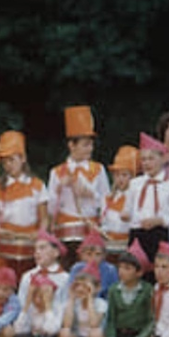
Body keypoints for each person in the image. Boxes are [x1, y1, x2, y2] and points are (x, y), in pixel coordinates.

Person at [47, 106, 109, 264]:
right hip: (66, 231)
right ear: (71, 145)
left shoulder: (98, 169)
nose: (90, 149)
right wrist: (59, 187)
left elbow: (107, 202)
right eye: (85, 144)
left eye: (91, 144)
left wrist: (91, 194)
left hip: (90, 229)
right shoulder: (57, 172)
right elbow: (50, 207)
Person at [0, 131, 48, 279]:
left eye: (11, 160)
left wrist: (40, 234)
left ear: (23, 158)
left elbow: (45, 218)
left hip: (30, 244)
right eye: (4, 162)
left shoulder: (37, 185)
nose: (8, 165)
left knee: (30, 283)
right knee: (5, 283)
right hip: (6, 244)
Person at [124, 133, 169, 266]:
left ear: (162, 159)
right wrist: (125, 215)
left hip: (159, 233)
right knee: (134, 267)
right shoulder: (135, 184)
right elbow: (128, 209)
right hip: (136, 233)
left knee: (157, 269)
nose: (147, 163)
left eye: (151, 158)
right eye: (143, 159)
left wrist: (160, 220)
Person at [59, 270, 106, 337]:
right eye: (78, 285)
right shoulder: (72, 303)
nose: (81, 289)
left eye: (85, 286)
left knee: (96, 333)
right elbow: (67, 325)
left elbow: (94, 324)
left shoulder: (100, 303)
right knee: (64, 332)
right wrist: (72, 298)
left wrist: (89, 299)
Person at [101, 146, 137, 257]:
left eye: (124, 175)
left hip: (126, 246)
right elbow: (104, 221)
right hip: (109, 246)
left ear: (132, 177)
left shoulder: (135, 197)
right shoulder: (108, 198)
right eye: (117, 175)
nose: (120, 179)